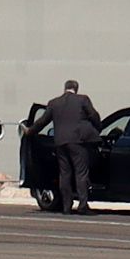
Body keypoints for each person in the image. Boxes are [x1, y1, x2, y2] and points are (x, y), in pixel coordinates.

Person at [47, 77, 100, 214]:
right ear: (76, 89)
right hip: (78, 141)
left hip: (60, 142)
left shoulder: (54, 103)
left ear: (64, 88)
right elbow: (93, 115)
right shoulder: (82, 100)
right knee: (81, 173)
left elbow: (42, 121)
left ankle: (66, 207)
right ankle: (82, 205)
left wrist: (30, 131)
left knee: (64, 174)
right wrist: (98, 128)